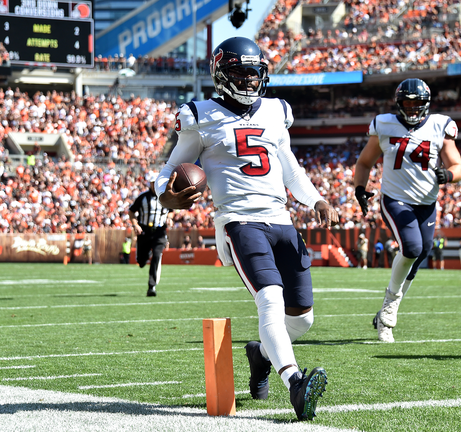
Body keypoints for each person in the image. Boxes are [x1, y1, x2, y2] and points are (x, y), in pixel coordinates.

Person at [155, 37, 337, 421]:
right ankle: (296, 383)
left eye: (255, 71)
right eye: (241, 71)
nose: (251, 79)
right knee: (270, 299)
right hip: (238, 220)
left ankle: (261, 355)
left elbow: (290, 167)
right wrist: (166, 195)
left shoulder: (275, 111)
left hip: (281, 219)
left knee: (301, 318)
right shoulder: (199, 116)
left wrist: (315, 199)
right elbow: (169, 172)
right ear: (221, 74)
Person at [353, 78, 461, 343]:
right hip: (395, 199)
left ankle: (383, 312)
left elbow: (458, 166)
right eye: (407, 103)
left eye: (417, 104)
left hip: (427, 203)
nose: (413, 109)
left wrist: (448, 175)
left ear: (426, 104)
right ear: (399, 103)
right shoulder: (385, 124)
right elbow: (365, 162)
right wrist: (360, 188)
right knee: (411, 248)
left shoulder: (441, 125)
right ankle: (388, 316)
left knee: (418, 256)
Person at [129, 171, 173, 296]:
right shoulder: (143, 197)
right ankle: (144, 255)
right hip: (144, 232)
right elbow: (131, 211)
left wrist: (169, 217)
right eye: (154, 183)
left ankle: (151, 286)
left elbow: (172, 210)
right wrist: (135, 224)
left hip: (160, 231)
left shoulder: (166, 196)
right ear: (150, 184)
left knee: (157, 255)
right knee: (141, 261)